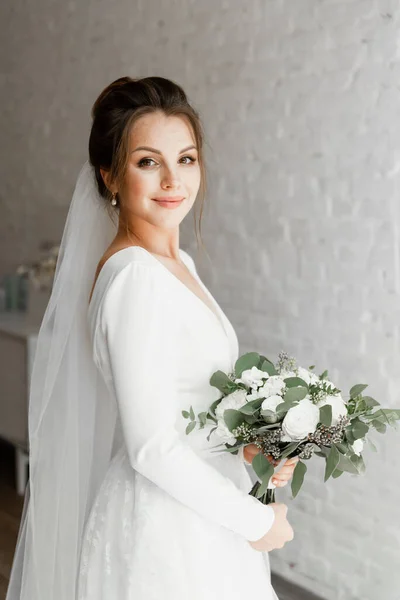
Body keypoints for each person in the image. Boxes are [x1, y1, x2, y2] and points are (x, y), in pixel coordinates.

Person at [6, 76, 296, 600]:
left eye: (185, 159)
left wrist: (251, 448)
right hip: (166, 531)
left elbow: (185, 401)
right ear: (110, 176)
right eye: (147, 161)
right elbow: (153, 448)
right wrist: (256, 523)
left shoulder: (175, 263)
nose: (172, 179)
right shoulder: (135, 278)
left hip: (203, 514)